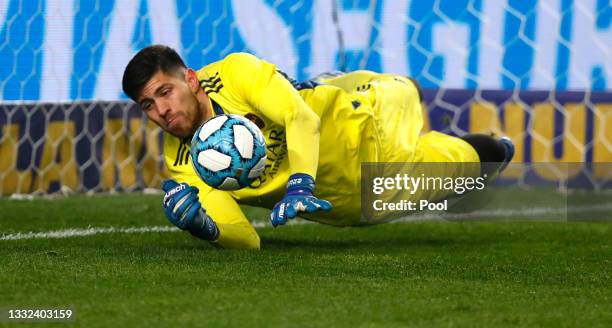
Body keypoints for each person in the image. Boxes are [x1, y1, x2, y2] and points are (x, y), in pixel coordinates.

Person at [121, 45, 514, 249]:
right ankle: (488, 154)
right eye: (148, 105)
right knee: (454, 173)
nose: (162, 111)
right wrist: (205, 228)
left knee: (403, 91)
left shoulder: (235, 74)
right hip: (352, 197)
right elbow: (247, 240)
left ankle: (362, 86)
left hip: (359, 120)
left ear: (190, 80)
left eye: (165, 92)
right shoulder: (186, 165)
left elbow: (301, 120)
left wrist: (299, 184)